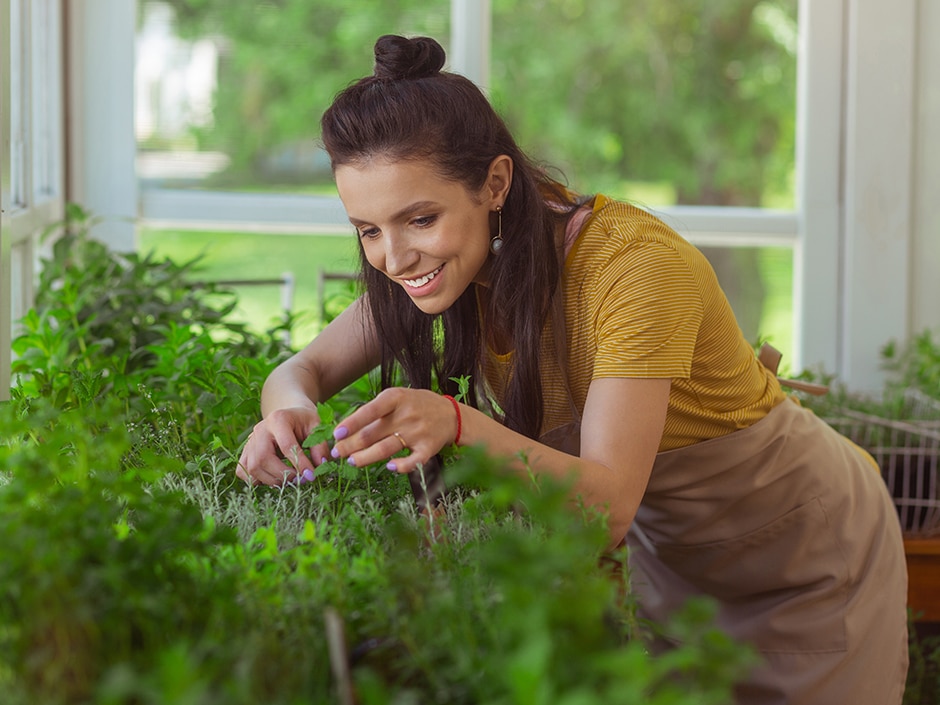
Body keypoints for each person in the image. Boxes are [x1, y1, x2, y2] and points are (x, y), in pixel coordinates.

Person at [236, 34, 908, 704]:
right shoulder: (449, 267)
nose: (395, 256)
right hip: (676, 569)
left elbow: (604, 510)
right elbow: (302, 371)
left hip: (804, 564)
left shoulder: (634, 268)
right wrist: (285, 410)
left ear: (494, 183)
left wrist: (456, 424)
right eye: (368, 229)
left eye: (419, 218)